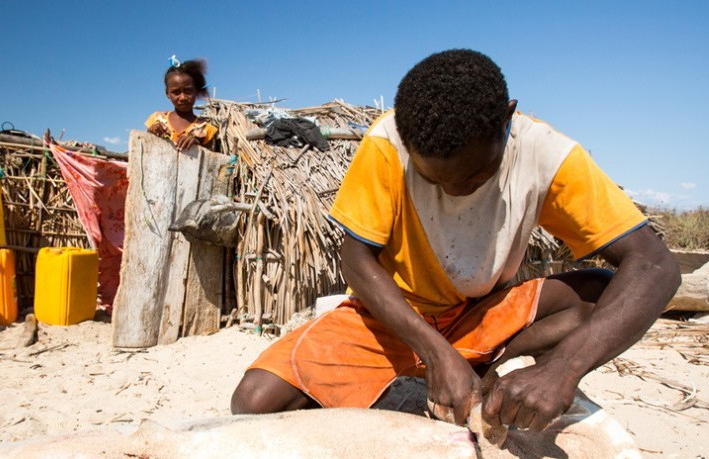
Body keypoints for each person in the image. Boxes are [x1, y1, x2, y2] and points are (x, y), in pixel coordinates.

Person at [230, 49, 681, 432]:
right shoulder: (388, 142)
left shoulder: (548, 155)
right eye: (433, 179)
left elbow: (654, 265)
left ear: (506, 118)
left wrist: (560, 370)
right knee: (254, 403)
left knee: (605, 295)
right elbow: (355, 258)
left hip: (480, 317)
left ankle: (478, 374)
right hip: (392, 321)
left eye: (474, 176)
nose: (455, 192)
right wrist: (434, 350)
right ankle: (448, 377)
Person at [145, 56, 217, 151]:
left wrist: (197, 146)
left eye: (188, 91)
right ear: (168, 93)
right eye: (176, 92)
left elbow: (210, 161)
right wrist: (151, 132)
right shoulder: (156, 119)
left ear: (196, 91)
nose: (182, 97)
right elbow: (146, 149)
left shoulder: (206, 130)